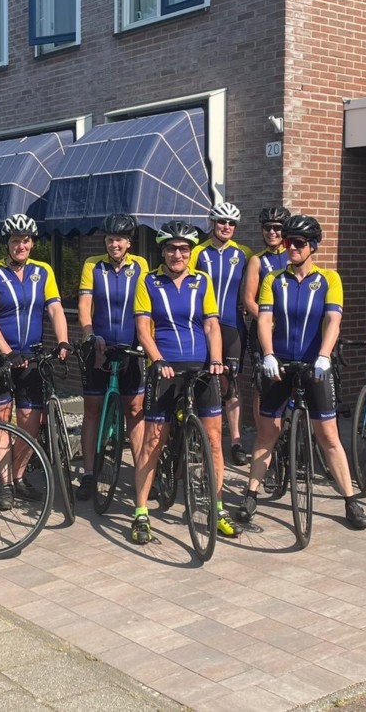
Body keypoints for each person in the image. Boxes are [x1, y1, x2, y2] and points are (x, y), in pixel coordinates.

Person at [240, 214, 366, 531]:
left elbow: (333, 320)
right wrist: (268, 354)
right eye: (288, 242)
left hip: (316, 364)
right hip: (280, 364)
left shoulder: (329, 279)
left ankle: (351, 501)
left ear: (312, 246)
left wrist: (324, 355)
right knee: (267, 433)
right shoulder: (274, 280)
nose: (291, 248)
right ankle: (251, 495)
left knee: (329, 436)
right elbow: (264, 319)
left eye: (298, 243)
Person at [132, 220, 239, 545]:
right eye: (171, 248)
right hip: (166, 369)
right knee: (153, 442)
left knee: (214, 440)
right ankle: (140, 513)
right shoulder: (149, 281)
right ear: (162, 251)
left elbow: (211, 325)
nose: (177, 254)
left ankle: (217, 508)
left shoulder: (201, 281)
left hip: (201, 369)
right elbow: (143, 328)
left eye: (183, 249)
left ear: (190, 252)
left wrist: (216, 360)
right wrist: (157, 360)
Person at [0, 214, 70, 511]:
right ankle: (5, 484)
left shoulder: (42, 271)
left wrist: (63, 341)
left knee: (31, 421)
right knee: (1, 418)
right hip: (2, 358)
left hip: (32, 357)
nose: (21, 245)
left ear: (32, 243)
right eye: (15, 240)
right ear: (7, 244)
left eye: (26, 240)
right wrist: (7, 352)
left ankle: (18, 476)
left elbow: (55, 308)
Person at [76, 213, 149, 501]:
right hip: (100, 347)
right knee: (92, 409)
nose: (114, 244)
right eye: (109, 239)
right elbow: (84, 306)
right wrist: (89, 334)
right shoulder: (92, 265)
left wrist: (147, 342)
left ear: (129, 242)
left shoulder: (141, 265)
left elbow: (147, 306)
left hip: (132, 346)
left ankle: (143, 473)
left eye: (119, 239)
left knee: (135, 410)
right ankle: (88, 474)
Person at [192, 201, 253, 466]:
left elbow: (254, 286)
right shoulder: (197, 251)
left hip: (232, 326)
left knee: (232, 382)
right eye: (221, 221)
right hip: (202, 325)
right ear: (212, 223)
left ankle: (236, 441)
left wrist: (250, 305)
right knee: (200, 378)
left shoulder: (244, 253)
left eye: (231, 223)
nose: (226, 226)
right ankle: (199, 436)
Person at [241, 206, 290, 437]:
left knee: (291, 379)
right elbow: (248, 300)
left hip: (290, 330)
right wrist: (267, 321)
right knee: (263, 384)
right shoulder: (257, 260)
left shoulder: (294, 256)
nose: (272, 232)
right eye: (267, 228)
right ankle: (265, 438)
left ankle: (290, 432)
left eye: (277, 228)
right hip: (264, 330)